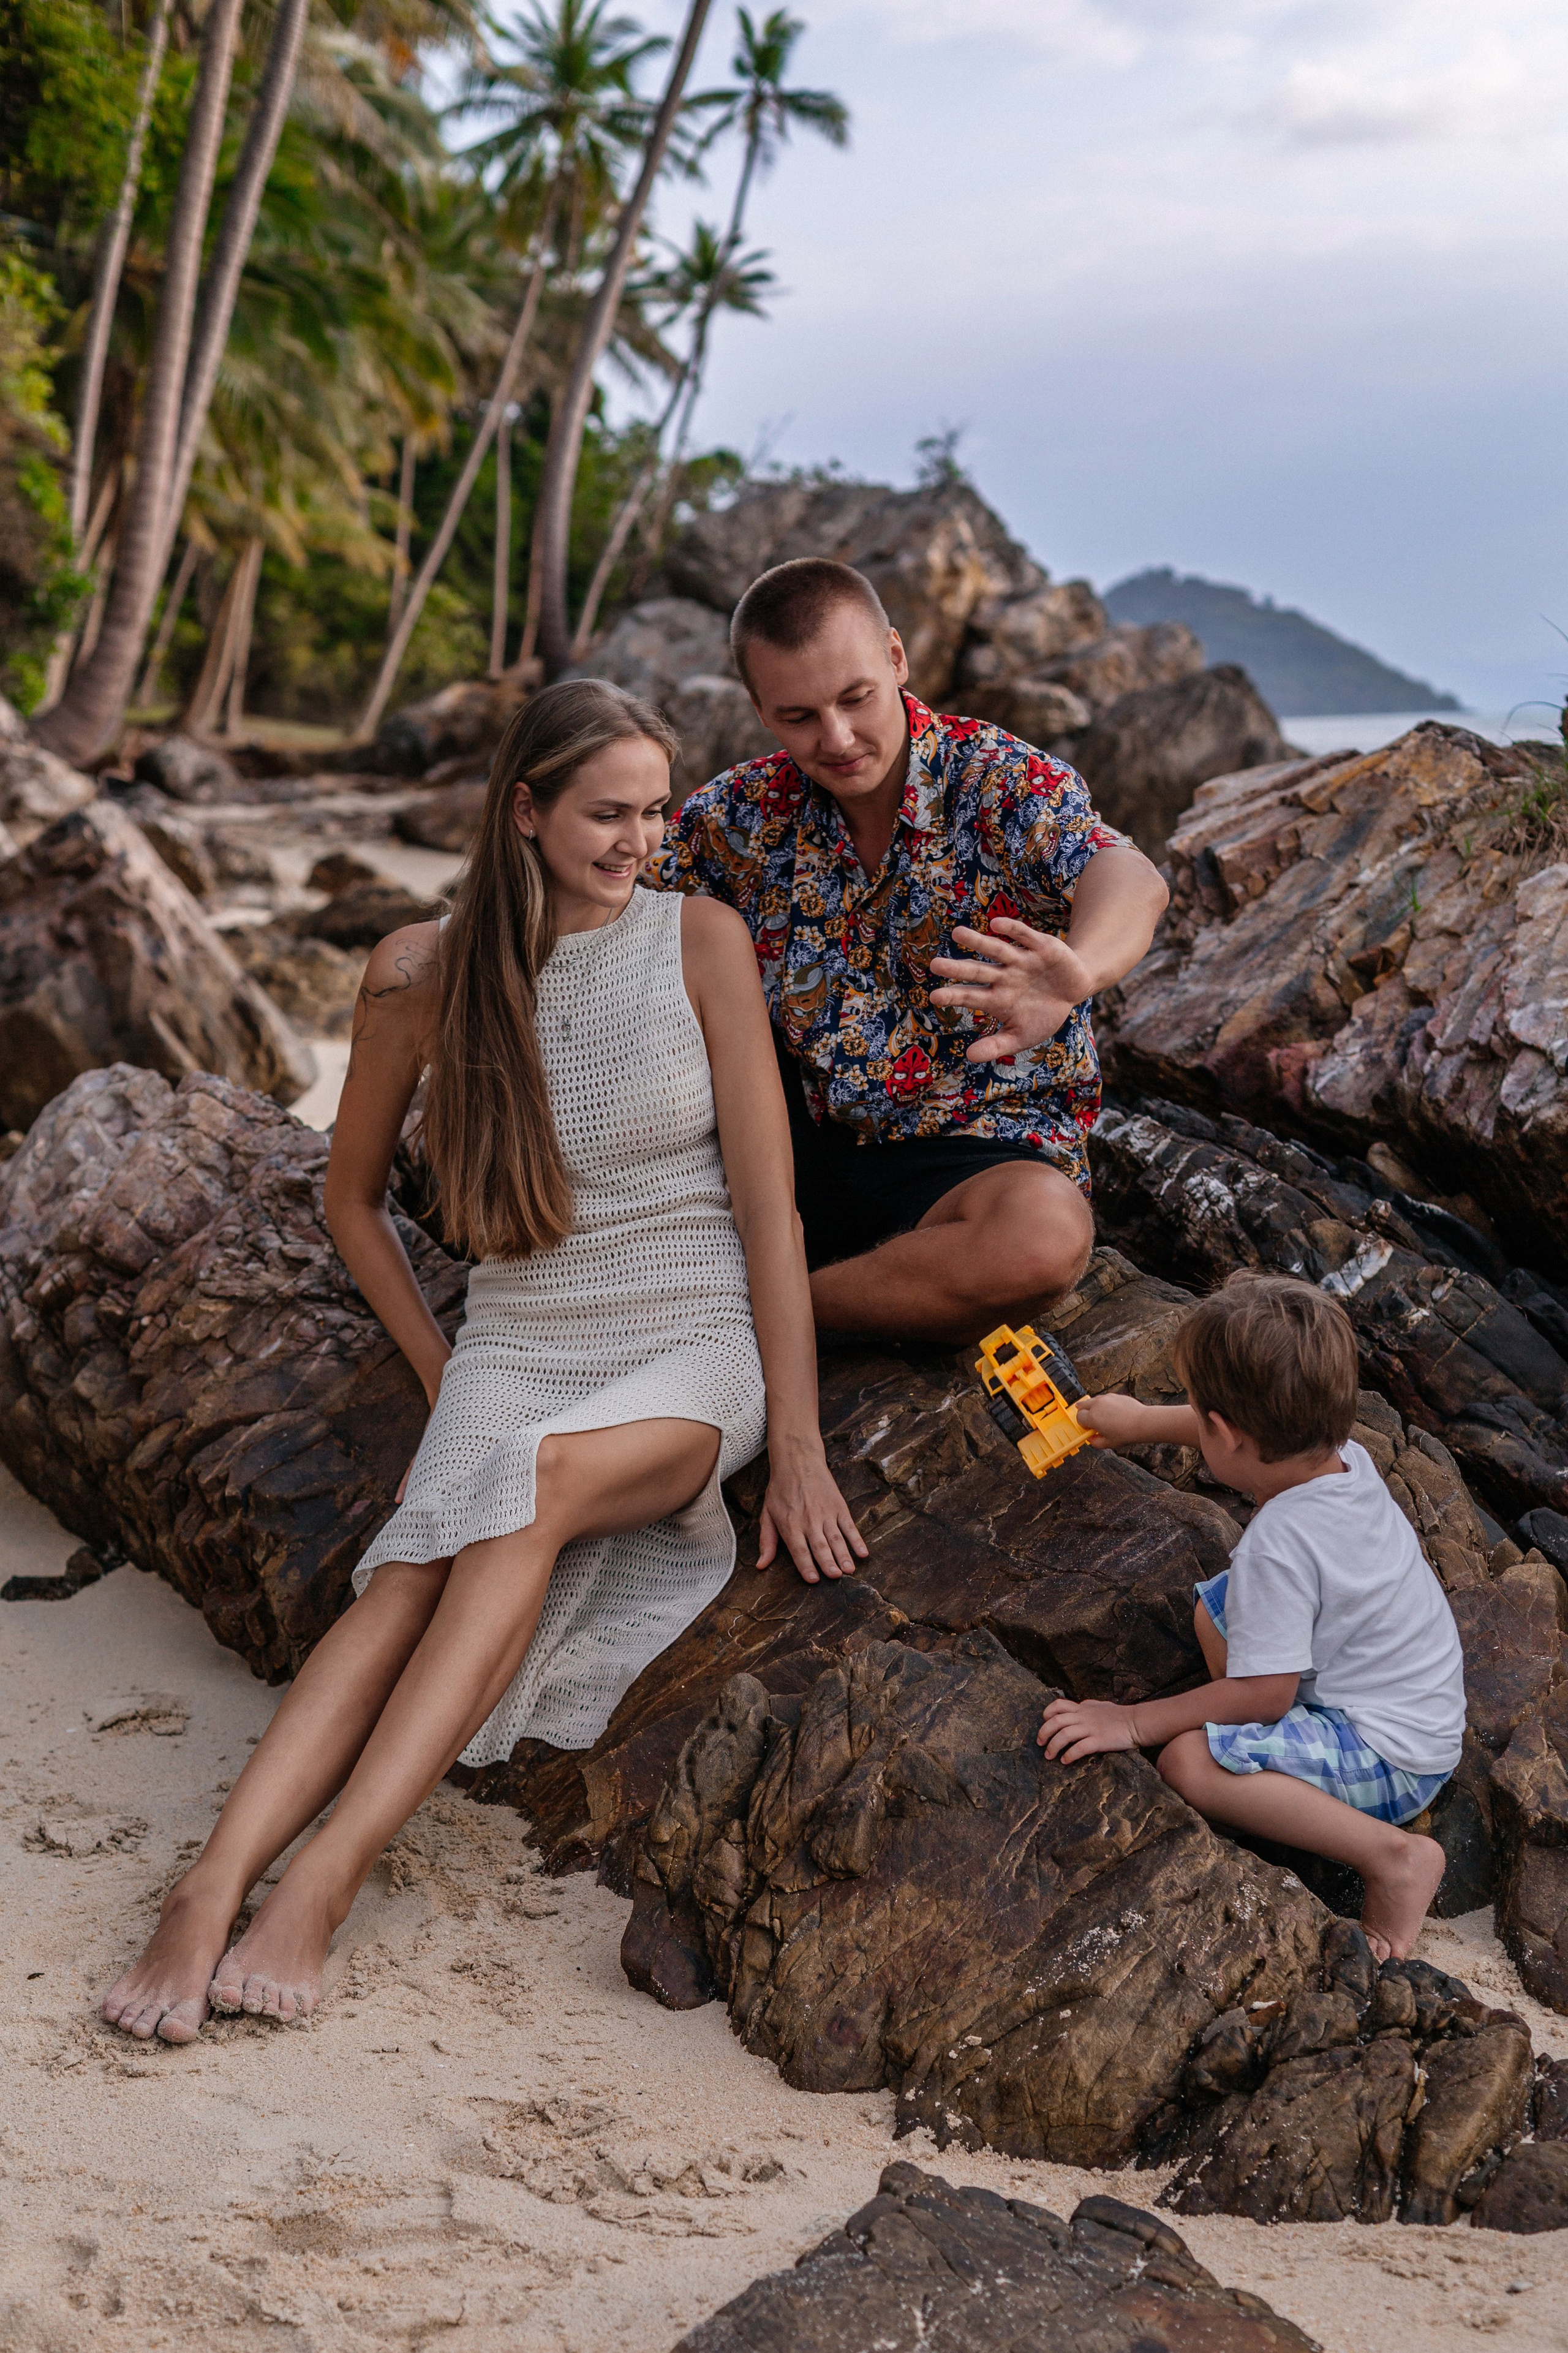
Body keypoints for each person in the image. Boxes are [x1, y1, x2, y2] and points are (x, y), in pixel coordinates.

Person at [100, 678, 865, 2043]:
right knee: (402, 1578)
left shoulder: (699, 940)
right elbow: (350, 1199)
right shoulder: (423, 969)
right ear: (523, 810)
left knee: (527, 1485)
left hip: (686, 1337)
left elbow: (768, 1209)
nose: (639, 839)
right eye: (605, 814)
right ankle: (207, 1890)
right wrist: (441, 1366)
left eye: (653, 809)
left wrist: (796, 1443)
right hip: (517, 1340)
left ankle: (323, 1882)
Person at [647, 556, 1169, 1342]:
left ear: (896, 658)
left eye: (856, 697)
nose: (837, 737)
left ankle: (766, 1317)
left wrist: (1079, 970)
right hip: (791, 1147)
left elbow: (1127, 875)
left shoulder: (996, 779)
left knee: (1042, 1241)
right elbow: (603, 898)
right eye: (798, 716)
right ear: (759, 708)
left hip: (973, 1149)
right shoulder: (738, 815)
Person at [1037, 1273, 1464, 1962]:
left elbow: (1262, 1694)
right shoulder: (1341, 1453)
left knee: (1187, 1760)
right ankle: (1279, 1748)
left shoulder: (1279, 1543)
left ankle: (1393, 1858)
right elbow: (1232, 1426)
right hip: (1422, 1702)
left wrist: (1132, 1721)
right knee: (1218, 1611)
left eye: (1198, 1414)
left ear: (1225, 1434)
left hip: (1391, 1756)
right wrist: (1142, 1422)